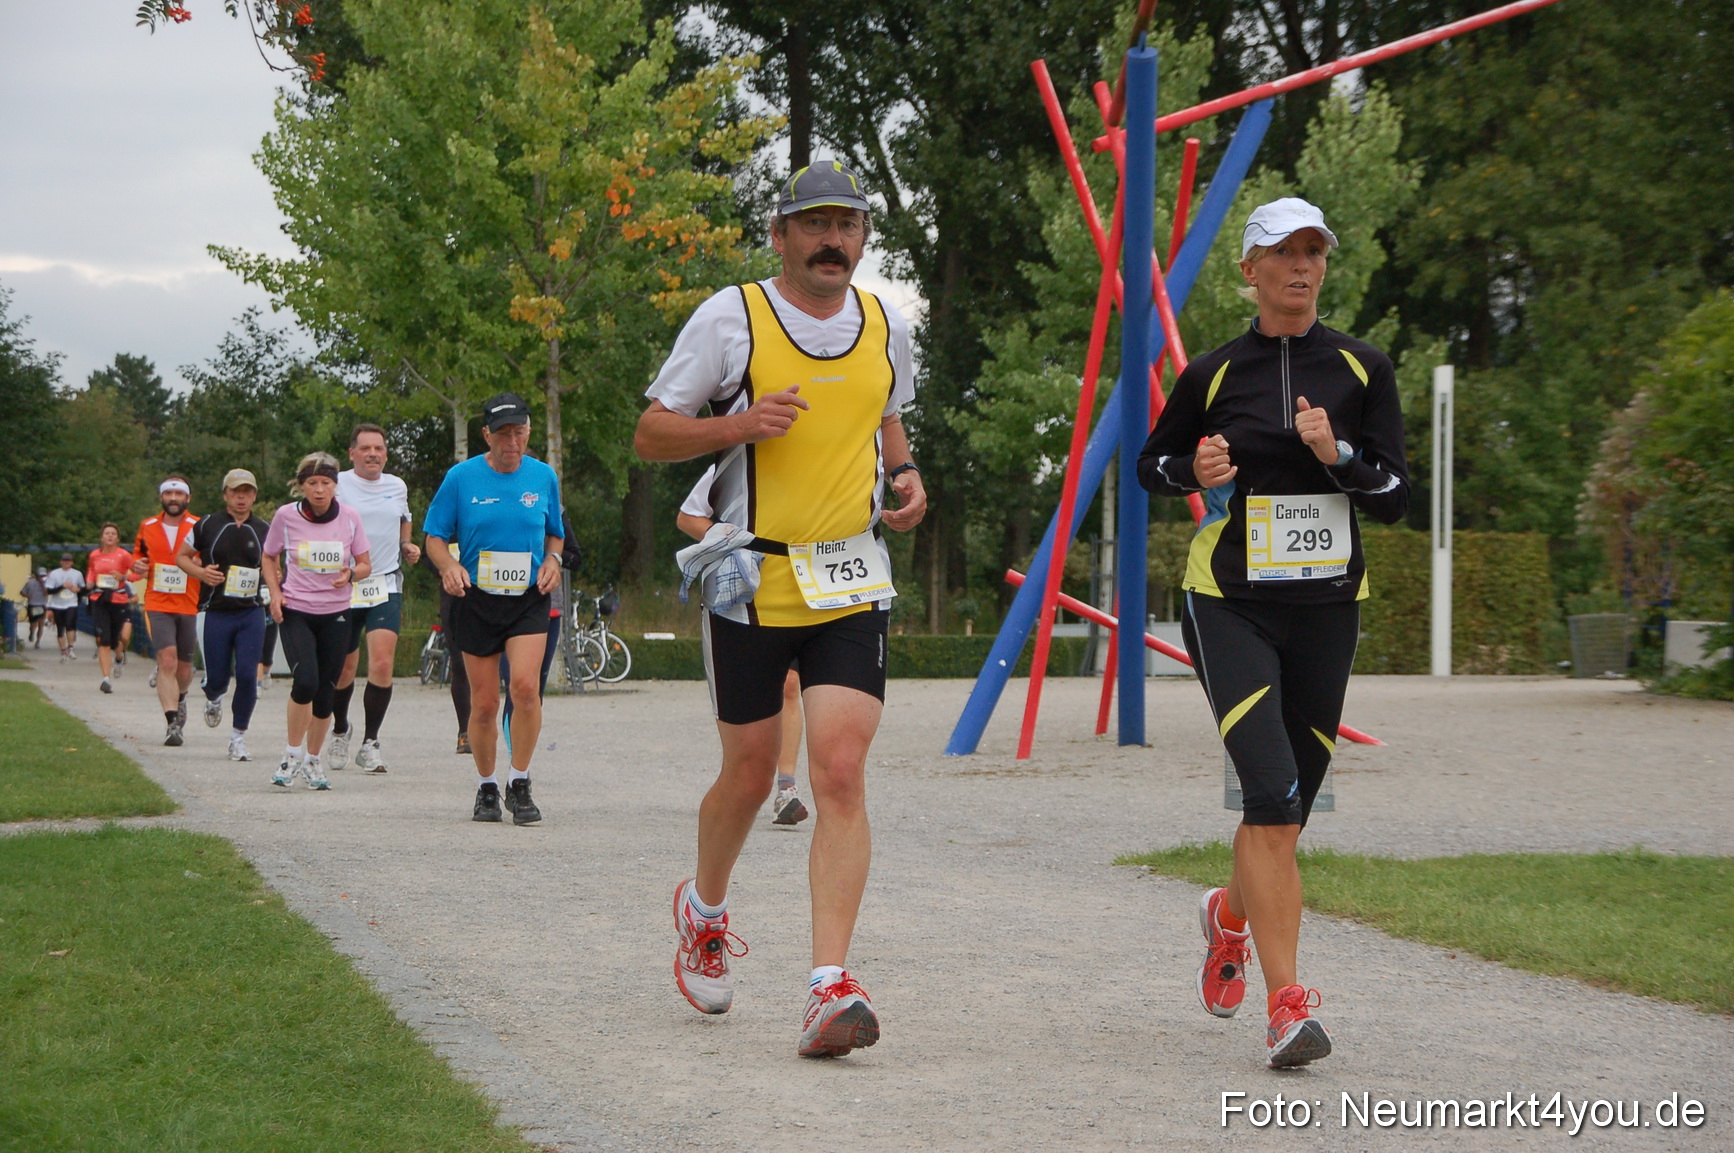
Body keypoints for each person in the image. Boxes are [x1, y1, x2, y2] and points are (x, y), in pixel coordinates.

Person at [634, 161, 926, 1058]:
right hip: (752, 577)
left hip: (849, 577)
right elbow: (651, 433)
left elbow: (887, 423)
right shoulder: (734, 317)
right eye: (815, 225)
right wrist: (736, 426)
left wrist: (908, 477)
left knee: (838, 769)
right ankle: (704, 908)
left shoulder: (887, 325)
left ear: (865, 237)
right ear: (781, 234)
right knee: (752, 774)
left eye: (848, 225)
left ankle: (827, 985)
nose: (833, 240)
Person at [1137, 198, 1409, 1069]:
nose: (1301, 266)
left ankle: (1228, 914)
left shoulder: (1364, 369)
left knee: (1289, 810)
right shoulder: (1215, 374)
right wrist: (1193, 467)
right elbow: (1151, 463)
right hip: (1230, 601)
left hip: (1329, 605)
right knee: (1272, 790)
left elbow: (1397, 494)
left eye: (1314, 251)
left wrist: (1340, 459)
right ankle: (1288, 1005)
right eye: (1283, 252)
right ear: (1249, 269)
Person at [424, 393, 564, 825]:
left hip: (527, 598)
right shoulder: (461, 478)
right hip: (477, 598)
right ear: (487, 435)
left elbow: (556, 534)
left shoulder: (543, 477)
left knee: (524, 688)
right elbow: (433, 535)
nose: (512, 441)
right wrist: (448, 565)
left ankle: (519, 782)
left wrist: (553, 560)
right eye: (503, 433)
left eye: (519, 432)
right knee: (483, 704)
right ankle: (486, 786)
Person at [676, 466, 809, 826]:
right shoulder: (741, 457)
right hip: (751, 598)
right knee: (756, 712)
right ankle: (743, 781)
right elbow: (688, 517)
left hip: (814, 593)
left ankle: (787, 788)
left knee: (791, 686)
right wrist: (734, 543)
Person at [263, 452, 371, 790]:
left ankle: (313, 760)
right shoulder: (286, 516)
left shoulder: (350, 518)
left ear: (336, 486)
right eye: (312, 483)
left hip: (337, 612)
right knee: (306, 681)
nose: (319, 490)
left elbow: (366, 563)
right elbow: (268, 555)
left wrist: (351, 573)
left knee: (326, 692)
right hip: (297, 609)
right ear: (301, 486)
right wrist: (275, 593)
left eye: (326, 483)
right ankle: (291, 754)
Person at [326, 423, 421, 774]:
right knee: (344, 667)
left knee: (381, 664)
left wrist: (406, 544)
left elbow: (404, 519)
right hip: (345, 584)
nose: (372, 455)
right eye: (365, 449)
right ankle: (339, 729)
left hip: (384, 584)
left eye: (378, 449)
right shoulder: (338, 484)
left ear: (385, 453)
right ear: (352, 454)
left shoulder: (396, 486)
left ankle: (370, 742)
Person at [178, 468, 271, 762]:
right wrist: (201, 572)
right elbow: (180, 556)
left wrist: (274, 578)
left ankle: (237, 737)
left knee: (247, 675)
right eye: (235, 492)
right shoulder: (207, 524)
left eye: (247, 492)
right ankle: (213, 695)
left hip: (251, 611)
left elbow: (274, 564)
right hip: (216, 610)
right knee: (218, 676)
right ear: (225, 495)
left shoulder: (265, 528)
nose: (241, 498)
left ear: (254, 496)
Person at [499, 506, 581, 736]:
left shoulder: (553, 508)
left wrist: (550, 554)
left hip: (545, 609)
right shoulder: (494, 500)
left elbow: (575, 558)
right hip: (500, 607)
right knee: (515, 685)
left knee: (532, 692)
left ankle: (520, 764)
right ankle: (514, 760)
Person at [132, 476, 202, 745]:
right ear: (161, 497)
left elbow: (211, 556)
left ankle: (181, 698)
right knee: (168, 660)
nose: (174, 498)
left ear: (187, 498)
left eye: (179, 493)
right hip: (158, 602)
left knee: (184, 668)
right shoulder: (148, 526)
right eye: (169, 493)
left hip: (189, 602)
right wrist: (138, 566)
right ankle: (172, 722)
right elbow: (138, 555)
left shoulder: (199, 525)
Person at [86, 525, 136, 692]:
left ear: (118, 538)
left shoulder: (123, 555)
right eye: (107, 533)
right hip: (100, 599)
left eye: (113, 534)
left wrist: (124, 577)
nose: (110, 536)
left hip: (119, 599)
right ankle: (106, 679)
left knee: (119, 639)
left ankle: (120, 658)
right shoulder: (95, 554)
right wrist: (89, 581)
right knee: (104, 639)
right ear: (101, 537)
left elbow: (138, 573)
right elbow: (92, 571)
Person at [43, 554, 86, 662]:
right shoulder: (54, 574)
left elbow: (82, 588)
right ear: (61, 562)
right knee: (60, 628)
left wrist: (77, 589)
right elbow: (49, 591)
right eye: (64, 560)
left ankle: (71, 647)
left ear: (72, 562)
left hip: (71, 603)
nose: (67, 562)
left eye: (69, 561)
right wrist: (62, 586)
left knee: (70, 625)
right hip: (57, 604)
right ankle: (63, 650)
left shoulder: (77, 574)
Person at [22, 567, 49, 649]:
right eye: (40, 576)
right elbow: (22, 592)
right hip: (32, 605)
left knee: (41, 625)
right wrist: (28, 596)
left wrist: (43, 585)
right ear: (36, 575)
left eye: (43, 576)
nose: (41, 577)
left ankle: (38, 641)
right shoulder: (30, 583)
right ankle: (32, 632)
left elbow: (46, 594)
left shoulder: (47, 583)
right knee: (33, 624)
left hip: (42, 605)